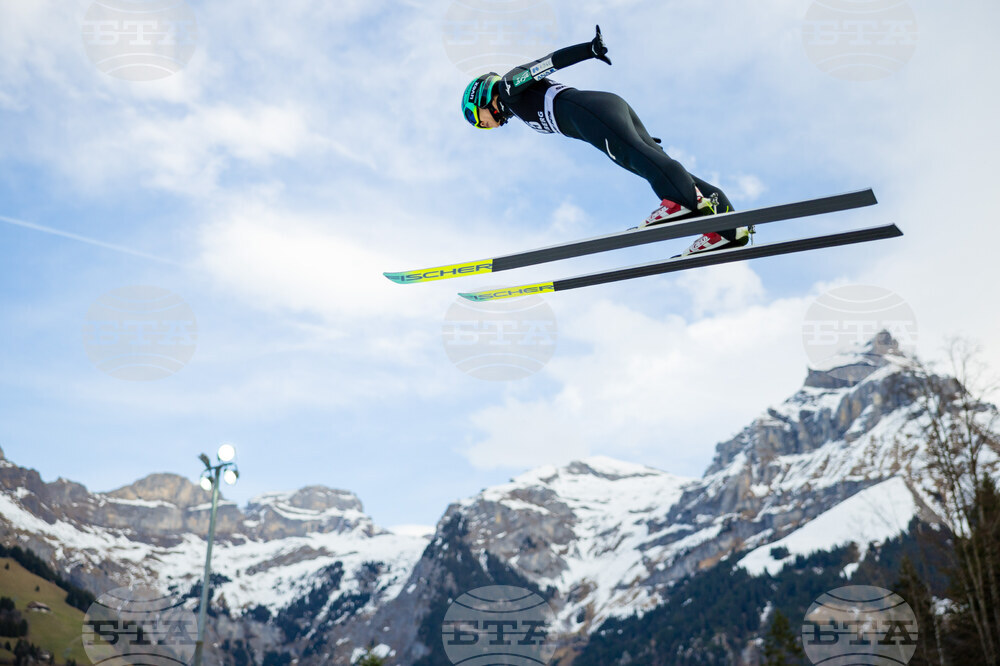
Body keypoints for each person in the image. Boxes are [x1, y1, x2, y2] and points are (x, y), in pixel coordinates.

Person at [461, 26, 749, 256]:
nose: (485, 125)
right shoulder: (514, 103)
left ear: (481, 97)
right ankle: (729, 227)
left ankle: (679, 201)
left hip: (592, 113)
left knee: (636, 158)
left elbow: (546, 64)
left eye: (479, 118)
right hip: (603, 110)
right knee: (648, 160)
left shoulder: (509, 87)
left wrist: (589, 50)